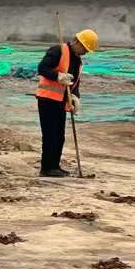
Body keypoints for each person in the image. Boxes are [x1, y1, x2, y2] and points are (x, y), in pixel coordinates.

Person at [35, 28, 98, 177]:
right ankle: (47, 168)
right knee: (50, 134)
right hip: (47, 99)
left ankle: (55, 166)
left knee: (59, 135)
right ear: (78, 42)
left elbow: (75, 82)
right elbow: (42, 68)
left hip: (60, 102)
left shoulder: (78, 60)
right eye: (85, 49)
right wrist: (58, 76)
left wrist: (75, 97)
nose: (85, 52)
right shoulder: (58, 51)